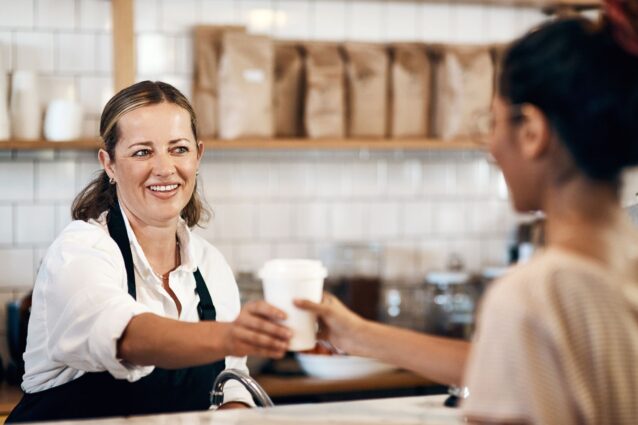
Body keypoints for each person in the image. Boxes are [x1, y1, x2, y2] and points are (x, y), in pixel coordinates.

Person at [297, 2, 638, 424]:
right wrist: (358, 335)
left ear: (531, 132)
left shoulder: (533, 294)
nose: (491, 147)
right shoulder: (623, 264)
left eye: (492, 123)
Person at [6, 81, 291, 423]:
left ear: (198, 155)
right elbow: (124, 335)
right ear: (109, 164)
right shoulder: (79, 251)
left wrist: (235, 409)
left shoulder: (210, 264)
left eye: (179, 149)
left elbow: (229, 382)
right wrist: (232, 335)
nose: (165, 168)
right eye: (142, 152)